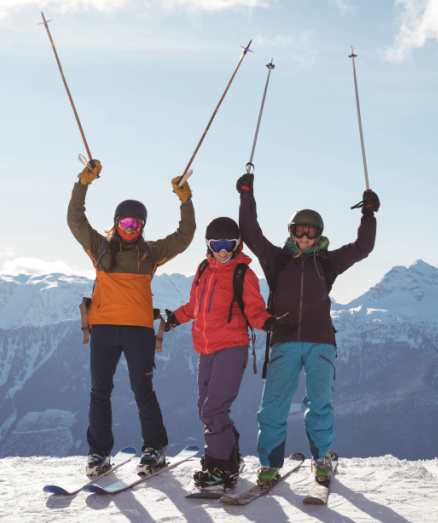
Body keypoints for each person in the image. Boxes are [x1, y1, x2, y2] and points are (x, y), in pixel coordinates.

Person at [235, 172, 378, 485]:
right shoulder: (276, 259)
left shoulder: (328, 261)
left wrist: (368, 215)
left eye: (311, 232)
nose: (305, 237)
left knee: (318, 404)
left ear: (319, 234)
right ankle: (269, 464)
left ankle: (322, 458)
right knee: (273, 406)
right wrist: (247, 195)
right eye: (300, 231)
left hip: (320, 342)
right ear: (292, 232)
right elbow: (250, 231)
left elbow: (363, 247)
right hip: (284, 341)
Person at [67, 159, 196, 477]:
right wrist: (82, 183)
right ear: (116, 223)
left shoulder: (150, 253)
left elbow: (185, 235)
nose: (130, 229)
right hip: (105, 329)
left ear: (142, 227)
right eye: (125, 224)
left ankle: (155, 449)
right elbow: (76, 220)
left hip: (138, 330)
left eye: (135, 225)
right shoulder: (99, 248)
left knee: (142, 390)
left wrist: (185, 200)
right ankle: (98, 453)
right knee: (100, 391)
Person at [163, 217, 296, 491]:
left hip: (232, 348)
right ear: (209, 246)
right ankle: (228, 457)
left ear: (237, 244)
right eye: (217, 245)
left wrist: (270, 323)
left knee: (214, 407)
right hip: (205, 349)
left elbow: (254, 310)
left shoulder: (243, 274)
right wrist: (174, 318)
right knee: (205, 408)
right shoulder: (203, 270)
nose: (222, 251)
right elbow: (194, 305)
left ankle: (220, 467)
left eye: (228, 245)